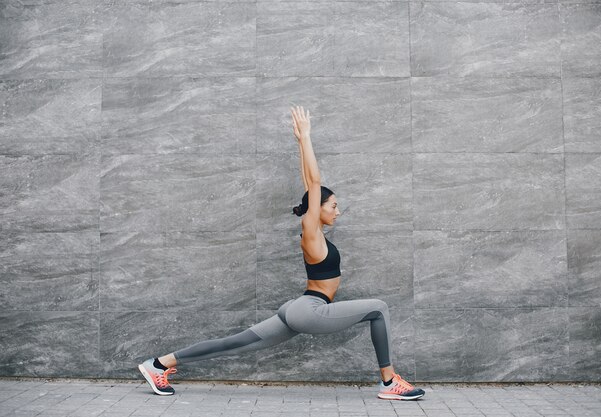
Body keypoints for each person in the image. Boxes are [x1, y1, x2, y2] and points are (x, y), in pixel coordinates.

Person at [137, 106, 425, 401]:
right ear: (318, 208)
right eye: (333, 205)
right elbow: (313, 184)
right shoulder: (311, 232)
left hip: (297, 309)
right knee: (379, 308)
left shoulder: (316, 235)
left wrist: (301, 142)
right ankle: (389, 383)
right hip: (310, 310)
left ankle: (158, 364)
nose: (338, 211)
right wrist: (306, 138)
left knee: (234, 343)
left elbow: (309, 186)